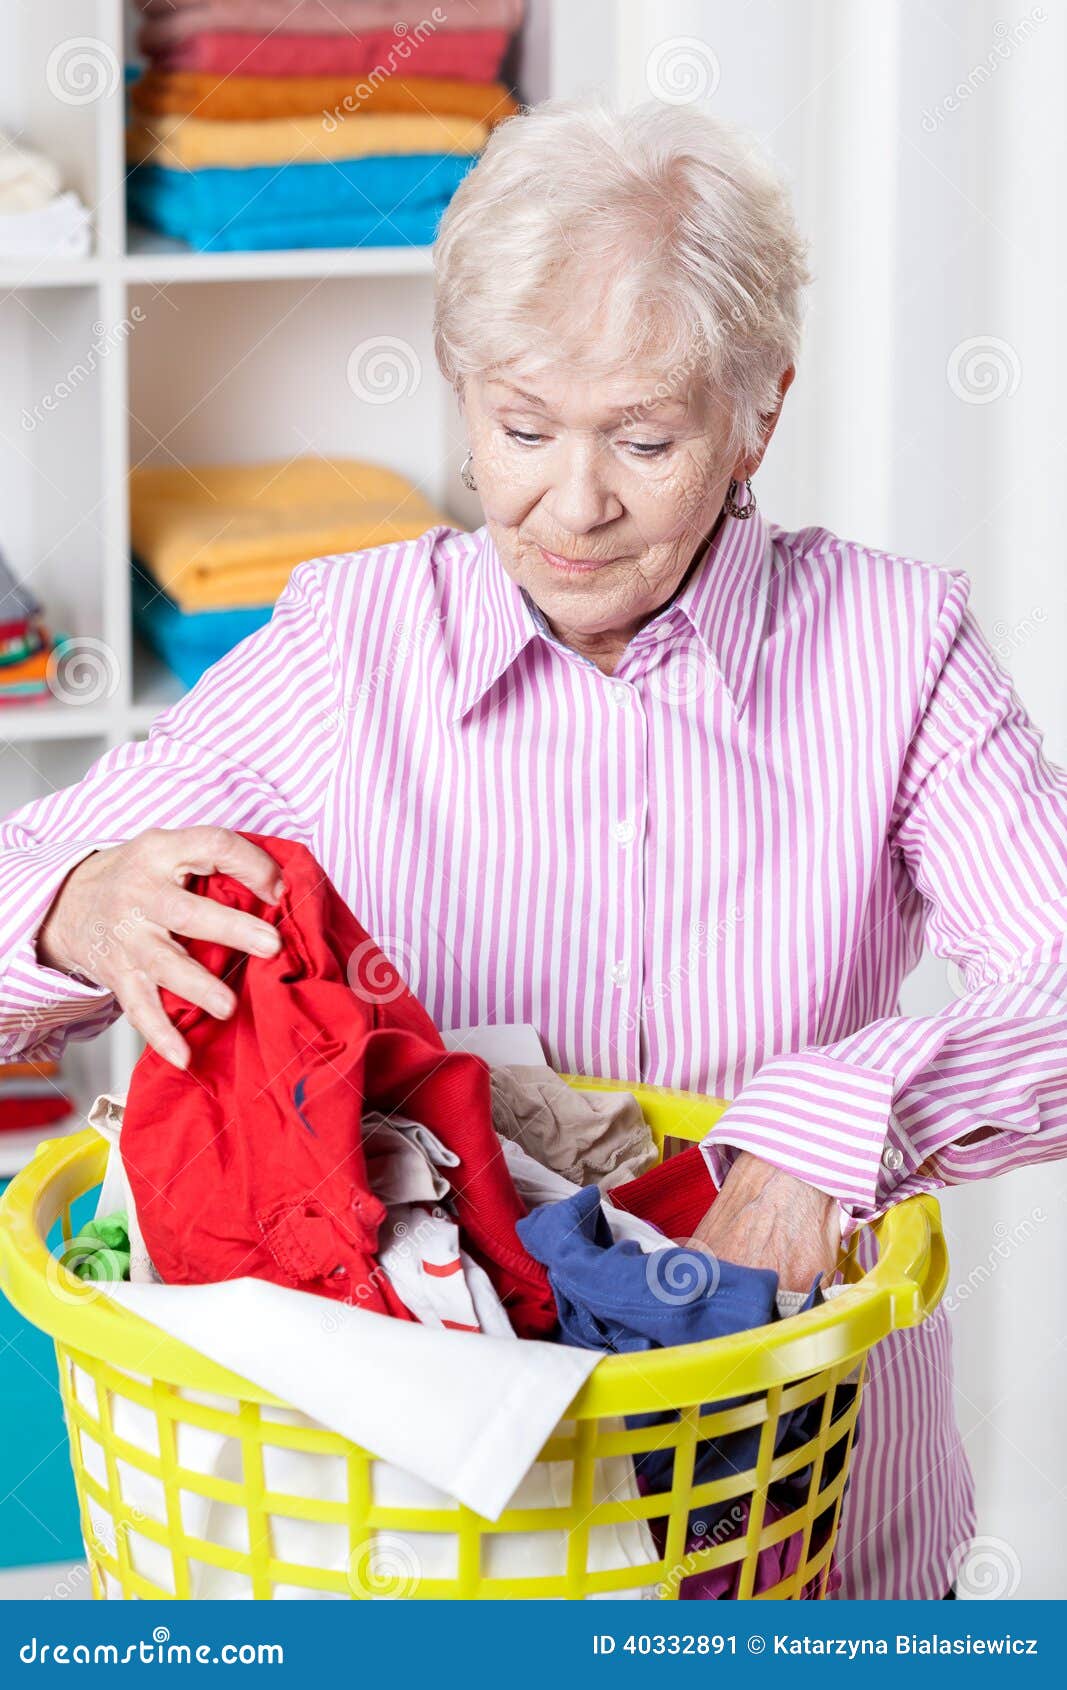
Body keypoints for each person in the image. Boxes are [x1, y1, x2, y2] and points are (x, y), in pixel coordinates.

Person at [3, 93, 1066, 1600]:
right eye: (519, 428)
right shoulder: (346, 652)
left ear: (763, 406)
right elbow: (18, 900)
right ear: (458, 392)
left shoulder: (898, 652)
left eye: (644, 437)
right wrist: (72, 907)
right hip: (415, 1565)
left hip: (815, 1541)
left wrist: (839, 1117)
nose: (572, 505)